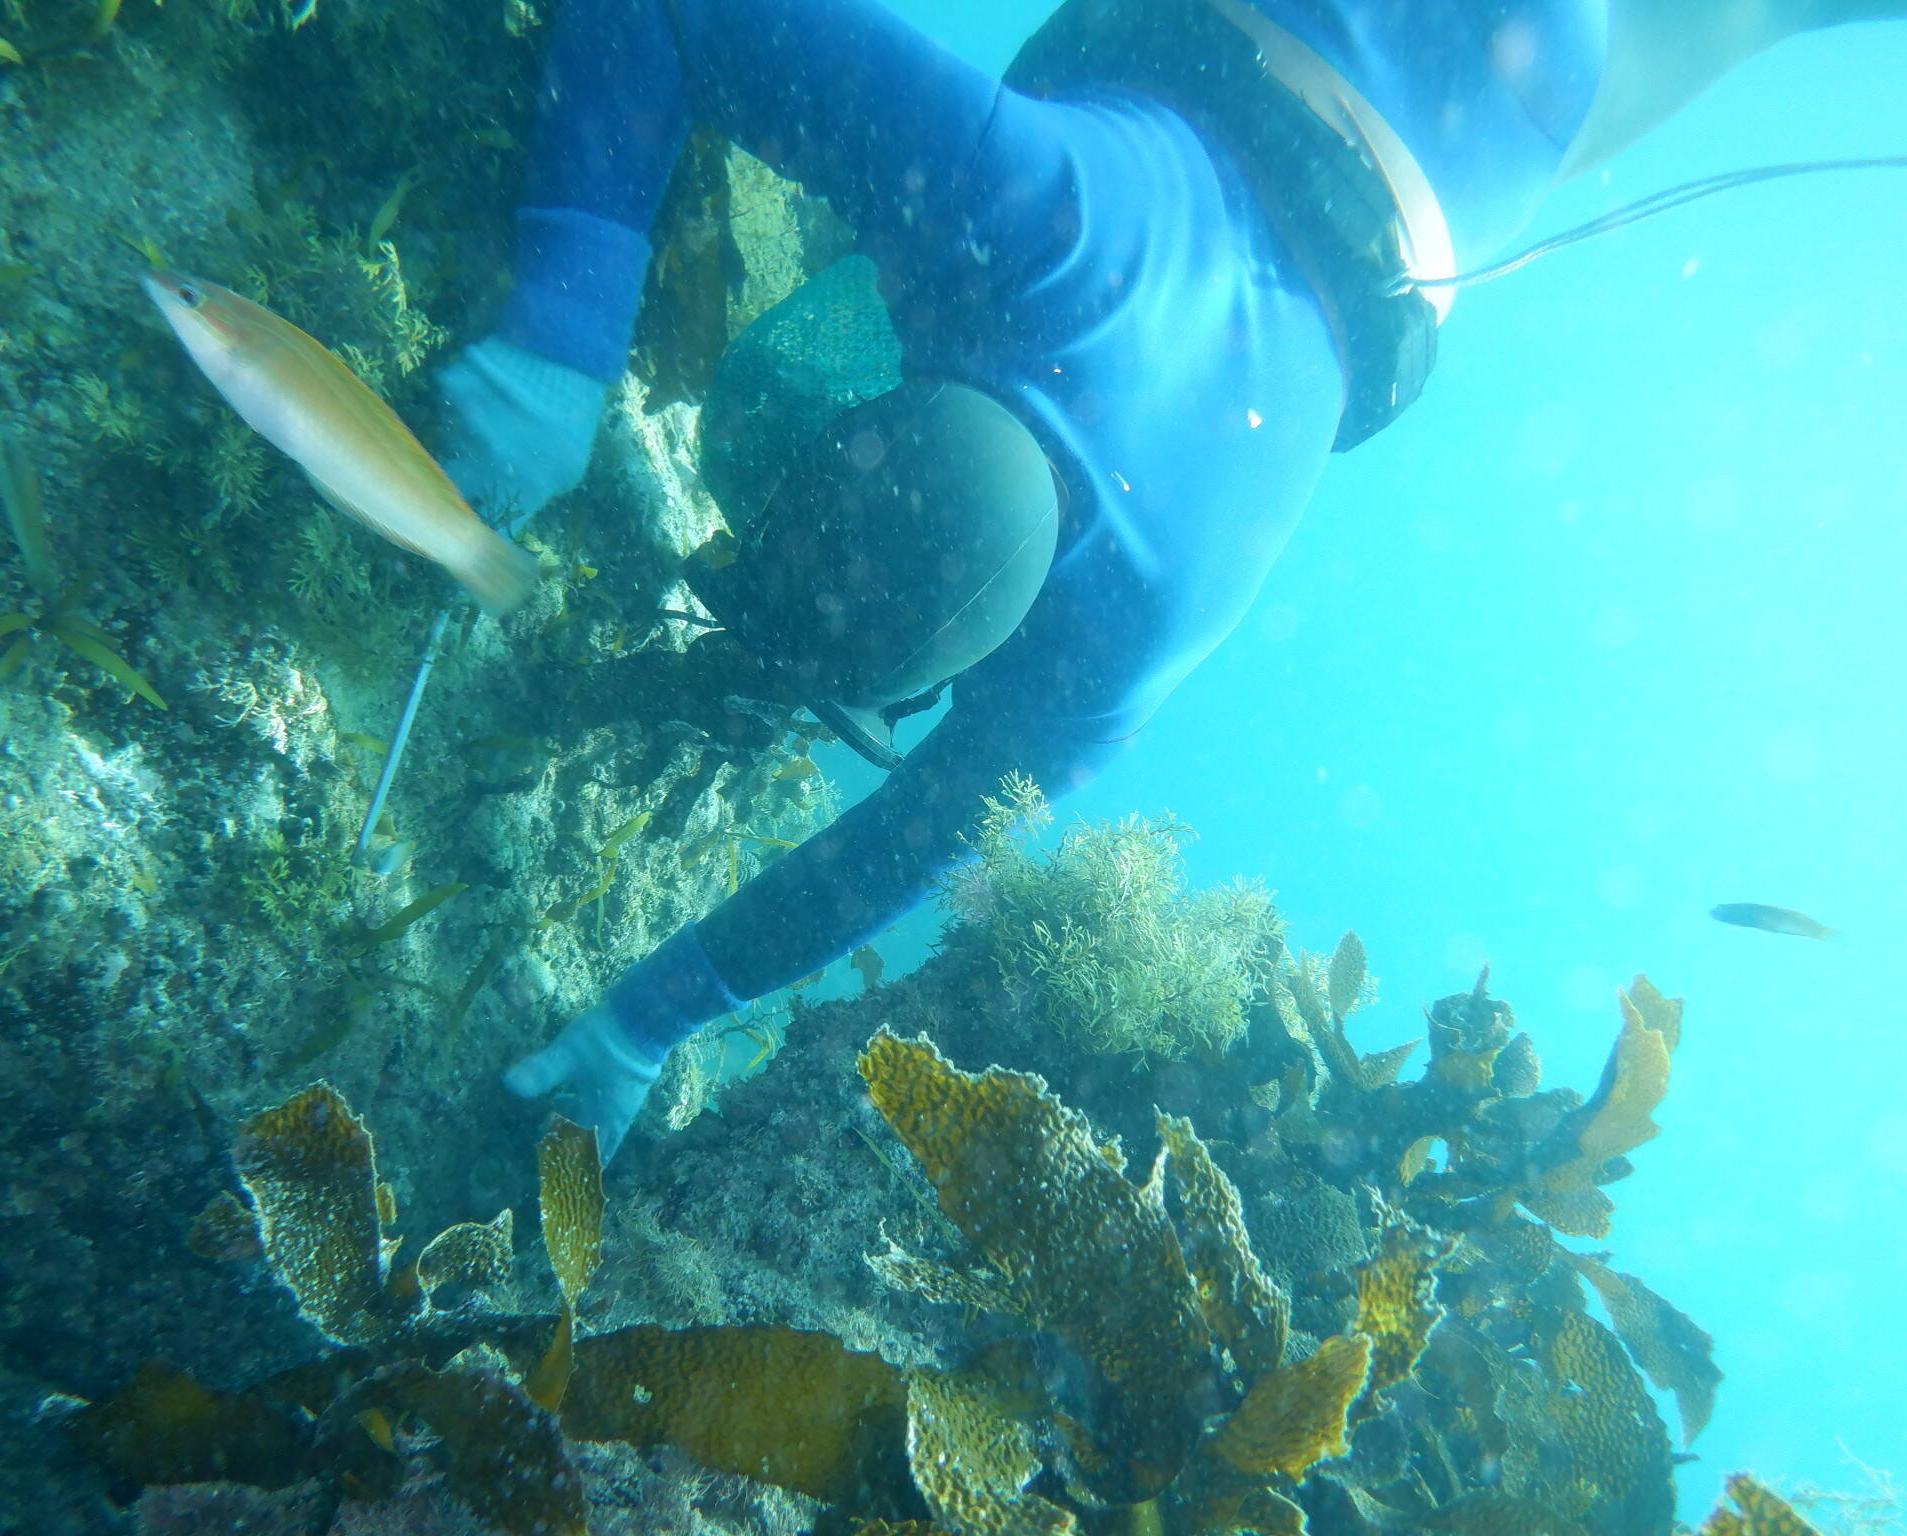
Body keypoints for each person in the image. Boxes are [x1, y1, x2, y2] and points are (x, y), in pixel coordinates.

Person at [436, 0, 1901, 1160]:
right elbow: (909, 841)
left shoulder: (1148, 612)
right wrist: (557, 347)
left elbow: (920, 840)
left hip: (1506, 128)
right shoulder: (1018, 212)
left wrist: (646, 1026)